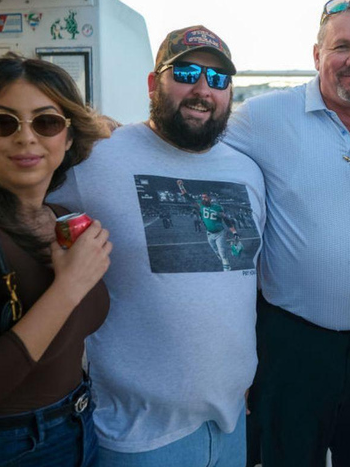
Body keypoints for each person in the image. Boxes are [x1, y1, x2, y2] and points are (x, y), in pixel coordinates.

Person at [224, 0, 350, 466]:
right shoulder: (265, 116)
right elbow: (194, 147)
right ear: (316, 56)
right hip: (293, 345)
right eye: (341, 47)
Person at [49, 26, 266, 466]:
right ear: (153, 83)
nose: (203, 90)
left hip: (230, 427)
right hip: (137, 437)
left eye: (218, 79)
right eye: (186, 72)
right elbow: (24, 206)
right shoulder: (96, 157)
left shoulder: (248, 172)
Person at [0, 53, 111, 466]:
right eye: (3, 122)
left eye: (45, 122)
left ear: (67, 136)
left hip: (80, 426)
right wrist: (69, 286)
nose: (26, 138)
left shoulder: (64, 219)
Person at [178, 182, 239, 271]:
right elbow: (187, 197)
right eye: (202, 197)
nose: (203, 199)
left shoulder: (217, 208)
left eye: (205, 197)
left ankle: (227, 269)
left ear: (210, 198)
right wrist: (181, 186)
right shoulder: (200, 205)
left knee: (222, 253)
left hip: (220, 233)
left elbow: (226, 220)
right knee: (216, 251)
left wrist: (235, 232)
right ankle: (222, 259)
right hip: (209, 234)